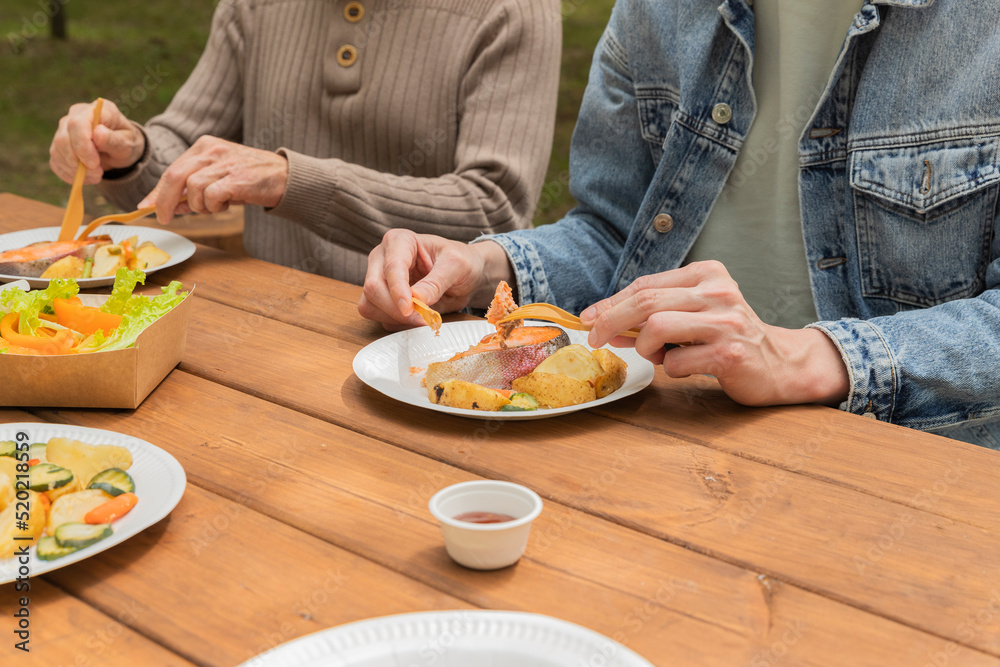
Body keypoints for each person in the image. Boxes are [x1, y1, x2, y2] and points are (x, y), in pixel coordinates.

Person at [359, 0, 1000, 449]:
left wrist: (812, 358)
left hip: (913, 473)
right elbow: (615, 233)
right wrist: (482, 269)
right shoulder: (655, 11)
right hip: (661, 443)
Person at [48, 0, 562, 284]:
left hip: (430, 346)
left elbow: (494, 215)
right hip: (265, 320)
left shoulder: (513, 10)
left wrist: (293, 181)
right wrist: (128, 153)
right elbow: (181, 159)